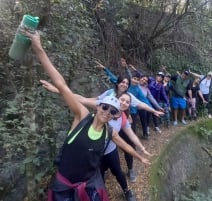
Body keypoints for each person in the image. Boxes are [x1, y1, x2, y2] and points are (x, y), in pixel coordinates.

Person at [27, 31, 150, 201]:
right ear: (99, 106)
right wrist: (39, 48)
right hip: (64, 186)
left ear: (116, 115)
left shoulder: (109, 132)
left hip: (89, 186)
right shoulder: (82, 116)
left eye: (113, 111)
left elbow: (126, 147)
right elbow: (62, 85)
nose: (107, 112)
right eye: (105, 107)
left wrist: (140, 158)